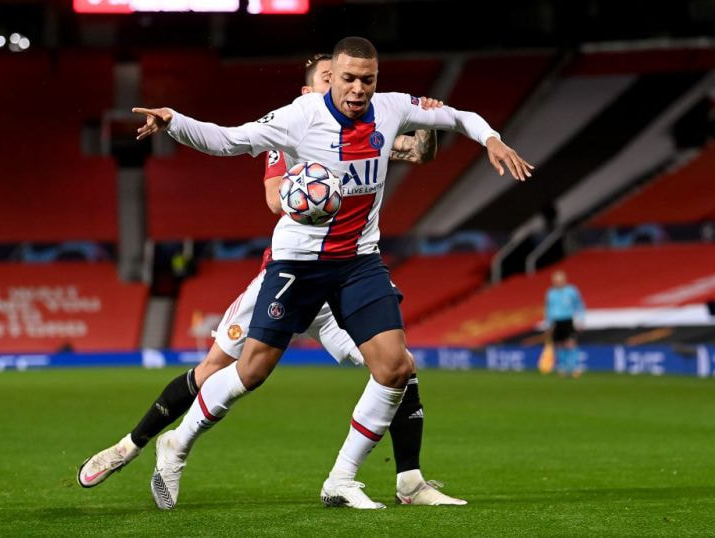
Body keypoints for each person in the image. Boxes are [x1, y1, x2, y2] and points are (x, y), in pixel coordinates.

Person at [133, 36, 532, 510]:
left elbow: (458, 117)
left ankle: (342, 479)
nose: (359, 89)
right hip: (298, 263)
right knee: (253, 370)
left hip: (359, 261)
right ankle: (177, 443)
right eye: (349, 78)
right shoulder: (299, 119)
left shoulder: (390, 109)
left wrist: (490, 137)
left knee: (396, 367)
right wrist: (173, 121)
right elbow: (230, 138)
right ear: (333, 77)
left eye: (368, 79)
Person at [78, 53, 462, 507]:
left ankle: (408, 478)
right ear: (309, 91)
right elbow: (273, 199)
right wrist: (312, 193)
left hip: (343, 278)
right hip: (288, 273)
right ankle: (137, 443)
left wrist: (431, 122)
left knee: (399, 366)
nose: (352, 91)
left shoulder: (366, 130)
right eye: (330, 80)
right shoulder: (291, 132)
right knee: (217, 371)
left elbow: (419, 151)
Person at [546, 270, 585, 377]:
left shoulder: (571, 291)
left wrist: (581, 319)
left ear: (564, 280)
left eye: (559, 280)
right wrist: (548, 323)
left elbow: (579, 305)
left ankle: (574, 367)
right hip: (556, 321)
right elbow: (548, 308)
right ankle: (562, 367)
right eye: (555, 281)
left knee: (570, 343)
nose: (557, 283)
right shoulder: (551, 293)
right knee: (558, 344)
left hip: (568, 319)